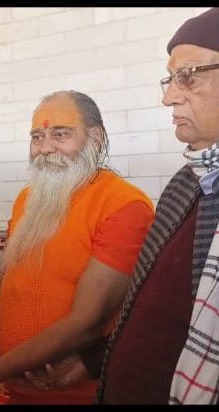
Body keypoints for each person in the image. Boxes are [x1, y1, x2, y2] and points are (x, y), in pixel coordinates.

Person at [0, 90, 155, 404]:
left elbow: (87, 323)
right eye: (37, 137)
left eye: (60, 134)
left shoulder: (123, 205)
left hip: (79, 396)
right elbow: (16, 287)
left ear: (96, 138)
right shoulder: (29, 199)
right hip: (17, 391)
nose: (45, 148)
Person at [94, 8, 219, 404]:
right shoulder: (187, 181)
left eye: (189, 75)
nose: (168, 97)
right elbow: (152, 312)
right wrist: (92, 363)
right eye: (170, 78)